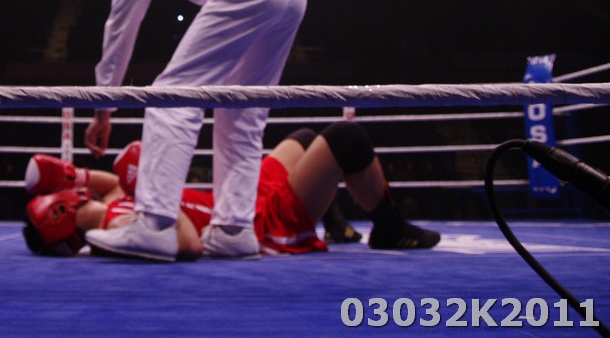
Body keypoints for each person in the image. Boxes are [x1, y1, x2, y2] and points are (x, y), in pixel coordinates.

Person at [75, 0, 308, 261]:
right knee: (242, 110)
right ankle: (234, 230)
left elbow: (120, 30)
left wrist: (102, 110)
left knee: (172, 95)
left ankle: (154, 225)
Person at [22, 121, 440, 260]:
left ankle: (332, 222)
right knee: (346, 139)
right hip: (263, 223)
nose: (66, 191)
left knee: (303, 138)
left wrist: (72, 174)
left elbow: (115, 181)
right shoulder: (116, 226)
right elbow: (187, 244)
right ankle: (388, 227)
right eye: (56, 195)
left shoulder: (111, 205)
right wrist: (152, 187)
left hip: (244, 196)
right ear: (58, 214)